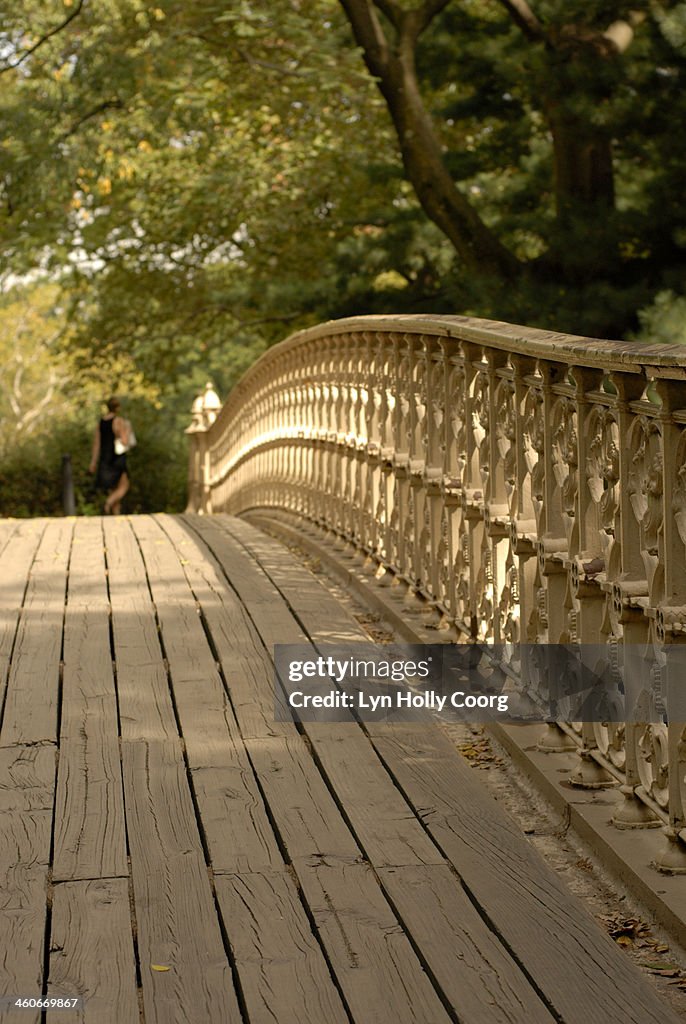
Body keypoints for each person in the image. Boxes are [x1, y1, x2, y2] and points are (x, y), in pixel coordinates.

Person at [89, 396, 131, 515]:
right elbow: (125, 441)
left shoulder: (101, 423)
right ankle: (108, 502)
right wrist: (127, 431)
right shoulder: (118, 421)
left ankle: (115, 516)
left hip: (105, 458)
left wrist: (93, 462)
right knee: (124, 486)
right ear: (117, 408)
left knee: (113, 487)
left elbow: (96, 444)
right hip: (117, 458)